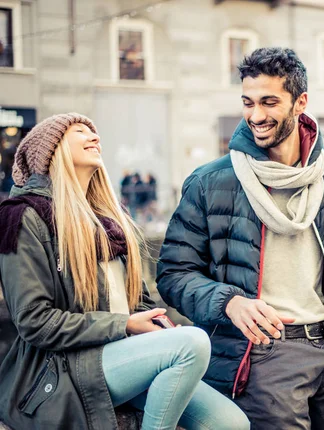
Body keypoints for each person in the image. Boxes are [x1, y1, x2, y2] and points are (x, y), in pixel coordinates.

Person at [157, 47, 324, 429]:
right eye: (248, 102)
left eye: (269, 102)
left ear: (301, 103)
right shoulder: (210, 182)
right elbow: (173, 273)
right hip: (262, 354)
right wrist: (229, 302)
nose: (255, 115)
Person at [0, 113, 249, 430]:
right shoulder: (23, 216)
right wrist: (125, 325)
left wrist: (156, 323)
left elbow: (137, 302)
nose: (94, 136)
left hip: (123, 356)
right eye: (80, 131)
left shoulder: (108, 222)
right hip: (66, 367)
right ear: (51, 150)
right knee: (193, 344)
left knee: (231, 424)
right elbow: (34, 321)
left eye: (94, 131)